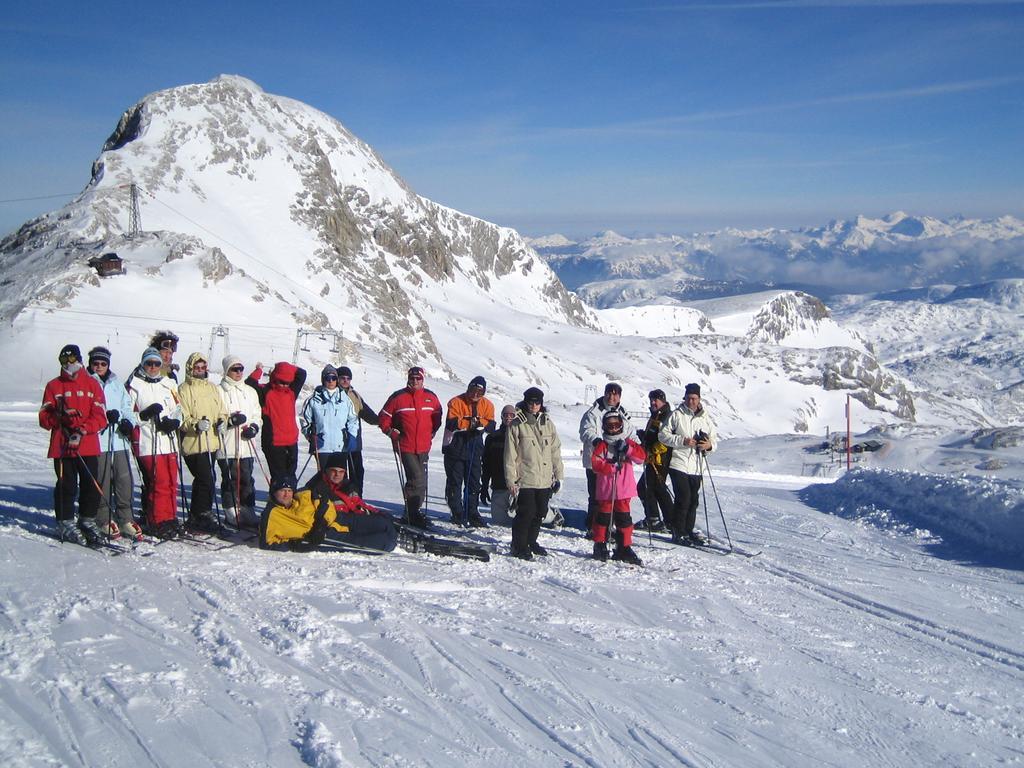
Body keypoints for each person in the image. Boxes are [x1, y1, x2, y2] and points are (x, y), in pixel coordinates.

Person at [38, 344, 108, 546]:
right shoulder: (54, 386)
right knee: (66, 485)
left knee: (91, 485)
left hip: (86, 444)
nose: (69, 365)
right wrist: (59, 416)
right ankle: (65, 522)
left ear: (79, 360)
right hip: (63, 445)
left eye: (72, 360)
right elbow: (44, 418)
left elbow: (100, 416)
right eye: (64, 361)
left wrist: (82, 430)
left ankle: (87, 519)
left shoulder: (93, 385)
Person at [259, 457, 397, 554]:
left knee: (385, 524)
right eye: (282, 491)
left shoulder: (301, 496)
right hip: (327, 535)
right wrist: (294, 545)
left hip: (338, 519)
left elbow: (324, 503)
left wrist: (321, 521)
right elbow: (266, 544)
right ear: (274, 492)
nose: (286, 495)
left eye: (289, 491)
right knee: (386, 544)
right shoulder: (272, 514)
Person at [87, 346, 142, 540]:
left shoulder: (116, 383)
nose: (99, 366)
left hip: (118, 439)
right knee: (102, 480)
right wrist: (103, 417)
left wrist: (128, 422)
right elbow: (86, 409)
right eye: (96, 363)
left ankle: (125, 517)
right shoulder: (86, 382)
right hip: (98, 440)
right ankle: (103, 518)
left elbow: (127, 406)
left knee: (124, 480)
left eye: (103, 363)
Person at [129, 346, 184, 539]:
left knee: (171, 481)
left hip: (168, 440)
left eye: (156, 364)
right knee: (158, 482)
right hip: (148, 440)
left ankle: (170, 517)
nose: (153, 367)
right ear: (143, 364)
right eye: (149, 363)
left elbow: (179, 408)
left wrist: (176, 421)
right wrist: (144, 415)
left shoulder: (169, 384)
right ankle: (157, 520)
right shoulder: (135, 385)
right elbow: (127, 414)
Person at [378, 366, 442, 529]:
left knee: (421, 481)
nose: (415, 381)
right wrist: (390, 432)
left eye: (418, 378)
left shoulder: (430, 397)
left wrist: (431, 431)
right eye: (412, 378)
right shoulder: (398, 397)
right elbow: (383, 417)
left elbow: (437, 416)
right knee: (416, 479)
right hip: (404, 445)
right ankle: (412, 514)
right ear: (408, 379)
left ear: (423, 379)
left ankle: (413, 511)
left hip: (423, 446)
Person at [504, 387, 563, 560]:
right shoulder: (517, 423)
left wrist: (558, 475)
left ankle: (531, 541)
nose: (534, 405)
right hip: (526, 477)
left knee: (540, 512)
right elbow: (510, 454)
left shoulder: (547, 422)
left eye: (537, 402)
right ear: (525, 402)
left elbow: (555, 451)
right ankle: (518, 545)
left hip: (544, 478)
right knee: (526, 513)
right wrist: (511, 480)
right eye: (531, 402)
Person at [658, 383, 717, 545]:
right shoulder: (676, 415)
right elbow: (662, 435)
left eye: (694, 398)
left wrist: (708, 446)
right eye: (689, 398)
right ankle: (678, 531)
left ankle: (688, 530)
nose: (691, 401)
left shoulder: (705, 418)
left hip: (697, 466)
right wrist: (683, 441)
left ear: (699, 399)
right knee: (683, 498)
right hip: (679, 462)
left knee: (693, 500)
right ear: (685, 398)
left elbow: (714, 440)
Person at [177, 352, 227, 532]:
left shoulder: (212, 387)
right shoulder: (184, 389)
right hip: (194, 442)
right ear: (191, 369)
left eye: (203, 367)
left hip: (211, 441)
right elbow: (182, 417)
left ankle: (196, 515)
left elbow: (222, 410)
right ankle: (202, 513)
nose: (200, 370)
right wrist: (195, 424)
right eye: (196, 368)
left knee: (203, 479)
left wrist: (222, 421)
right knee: (207, 478)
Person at [590, 411, 646, 565]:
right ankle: (599, 544)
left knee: (624, 519)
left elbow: (641, 458)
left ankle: (624, 546)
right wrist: (611, 466)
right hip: (607, 489)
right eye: (610, 425)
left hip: (623, 489)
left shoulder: (627, 442)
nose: (613, 429)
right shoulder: (603, 444)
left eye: (616, 425)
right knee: (603, 518)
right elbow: (595, 463)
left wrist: (628, 449)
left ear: (621, 425)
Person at [579, 382, 636, 535]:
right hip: (597, 461)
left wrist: (633, 446)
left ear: (619, 396)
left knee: (615, 497)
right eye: (609, 394)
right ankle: (594, 527)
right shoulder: (594, 413)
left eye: (615, 394)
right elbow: (585, 431)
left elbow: (631, 433)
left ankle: (610, 526)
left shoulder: (622, 414)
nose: (611, 397)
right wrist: (596, 441)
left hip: (617, 463)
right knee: (597, 497)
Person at [442, 376, 496, 527]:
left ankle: (472, 512)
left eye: (480, 391)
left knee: (473, 482)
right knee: (455, 481)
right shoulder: (456, 402)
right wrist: (470, 424)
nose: (476, 394)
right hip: (456, 445)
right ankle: (457, 511)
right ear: (468, 388)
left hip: (475, 446)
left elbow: (491, 425)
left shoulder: (488, 405)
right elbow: (451, 423)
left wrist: (479, 424)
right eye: (473, 390)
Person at [217, 355, 261, 528]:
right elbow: (216, 416)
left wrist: (254, 428)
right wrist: (229, 421)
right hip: (227, 443)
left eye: (241, 369)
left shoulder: (249, 391)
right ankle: (231, 510)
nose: (238, 372)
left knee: (247, 478)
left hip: (246, 444)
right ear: (227, 370)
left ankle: (247, 509)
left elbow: (257, 413)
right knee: (230, 478)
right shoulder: (219, 391)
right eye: (235, 369)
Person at [246, 361, 307, 485]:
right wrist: (259, 371)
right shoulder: (264, 392)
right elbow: (250, 384)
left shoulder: (291, 392)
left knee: (291, 478)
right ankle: (276, 502)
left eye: (287, 382)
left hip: (291, 441)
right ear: (274, 378)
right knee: (279, 479)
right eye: (282, 382)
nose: (284, 385)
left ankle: (291, 503)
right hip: (273, 442)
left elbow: (302, 374)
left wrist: (284, 367)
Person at [301, 364, 359, 474]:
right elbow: (304, 420)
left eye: (334, 378)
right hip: (322, 447)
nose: (331, 381)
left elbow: (353, 419)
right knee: (324, 477)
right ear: (323, 379)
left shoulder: (345, 399)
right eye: (328, 378)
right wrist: (310, 436)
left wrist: (351, 435)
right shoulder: (314, 400)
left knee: (339, 479)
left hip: (340, 446)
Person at [337, 366, 378, 496]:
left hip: (354, 438)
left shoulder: (354, 394)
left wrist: (379, 421)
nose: (345, 381)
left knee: (357, 469)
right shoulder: (333, 393)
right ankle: (340, 496)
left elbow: (365, 411)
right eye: (342, 378)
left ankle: (356, 495)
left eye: (348, 378)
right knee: (340, 470)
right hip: (338, 439)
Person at [636, 389, 673, 533]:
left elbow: (665, 440)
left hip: (659, 460)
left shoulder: (666, 416)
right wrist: (643, 437)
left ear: (663, 400)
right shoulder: (656, 415)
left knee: (644, 487)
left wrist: (651, 451)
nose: (653, 402)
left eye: (656, 400)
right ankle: (669, 521)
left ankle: (654, 520)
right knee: (658, 489)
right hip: (653, 458)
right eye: (651, 399)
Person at [480, 404, 516, 526]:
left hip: (518, 488)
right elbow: (486, 464)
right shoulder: (492, 437)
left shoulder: (521, 436)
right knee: (499, 522)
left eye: (512, 415)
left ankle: (551, 516)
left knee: (527, 518)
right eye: (506, 415)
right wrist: (484, 485)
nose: (508, 418)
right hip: (499, 485)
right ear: (501, 416)